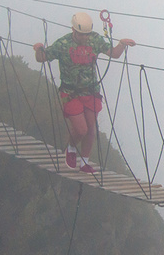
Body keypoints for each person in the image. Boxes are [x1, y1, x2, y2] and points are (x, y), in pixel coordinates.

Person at [33, 11, 134, 173]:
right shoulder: (63, 44)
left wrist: (121, 44)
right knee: (81, 129)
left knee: (91, 130)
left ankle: (85, 162)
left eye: (86, 34)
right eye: (81, 34)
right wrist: (38, 49)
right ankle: (71, 149)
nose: (84, 38)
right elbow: (42, 58)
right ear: (73, 30)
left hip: (91, 91)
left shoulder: (94, 39)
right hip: (70, 93)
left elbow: (113, 54)